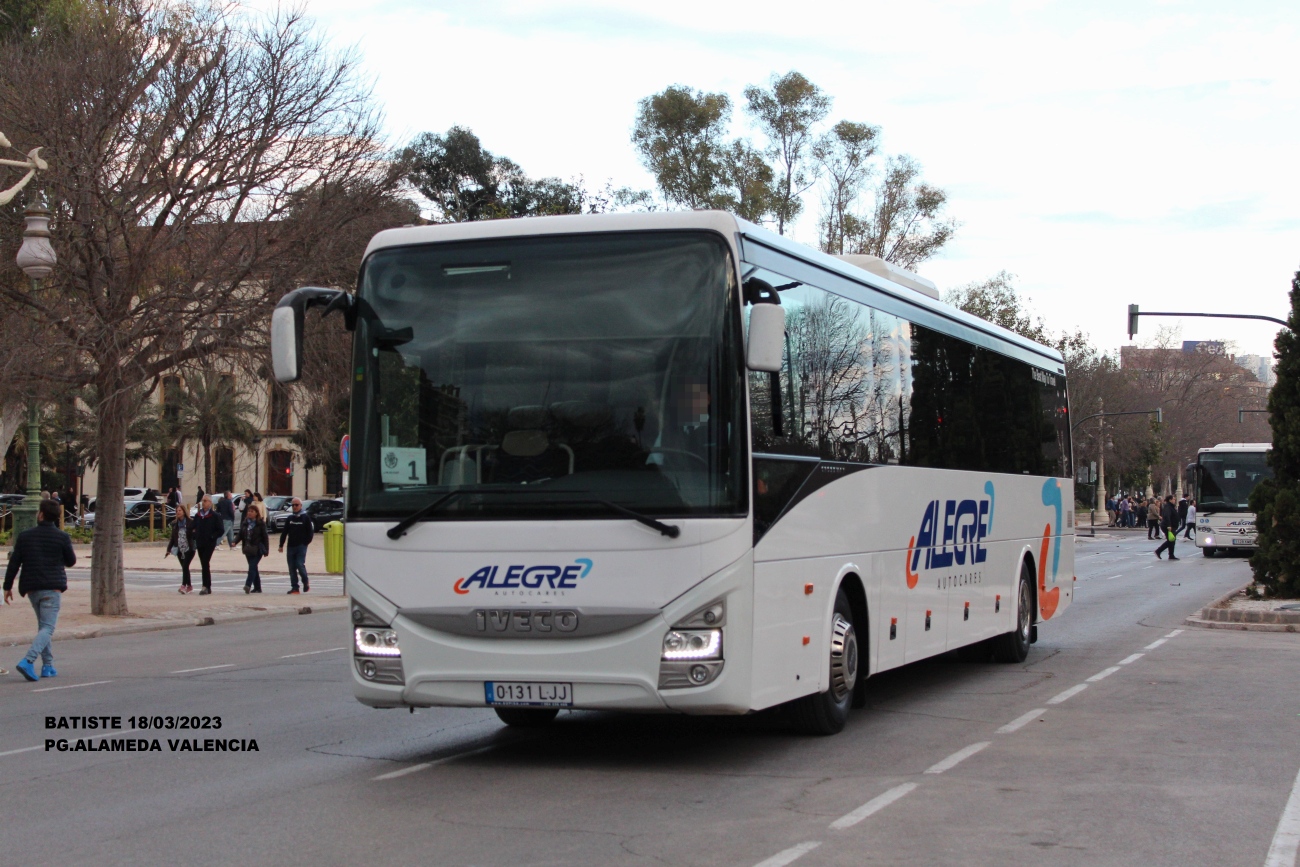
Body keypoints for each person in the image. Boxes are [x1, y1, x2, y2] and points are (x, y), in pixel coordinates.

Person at [4, 499, 75, 681]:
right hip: (52, 588)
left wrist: (7, 586)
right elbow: (71, 560)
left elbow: (15, 563)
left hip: (32, 588)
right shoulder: (62, 537)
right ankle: (28, 660)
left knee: (43, 627)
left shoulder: (25, 536)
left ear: (41, 514)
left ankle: (48, 665)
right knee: (48, 628)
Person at [278, 497, 314, 594]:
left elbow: (310, 532)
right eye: (293, 505)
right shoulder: (290, 518)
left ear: (301, 506)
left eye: (296, 505)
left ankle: (305, 581)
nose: (294, 507)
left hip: (301, 546)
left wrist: (305, 542)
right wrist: (281, 545)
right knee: (291, 567)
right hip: (291, 546)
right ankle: (295, 587)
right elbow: (284, 532)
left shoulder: (305, 518)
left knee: (299, 564)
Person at [192, 495, 224, 595]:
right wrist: (194, 535)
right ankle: (208, 586)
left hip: (209, 543)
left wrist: (212, 537)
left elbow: (220, 530)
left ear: (210, 503)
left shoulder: (215, 516)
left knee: (205, 562)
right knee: (204, 564)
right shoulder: (198, 515)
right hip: (200, 542)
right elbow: (193, 527)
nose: (203, 502)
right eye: (202, 501)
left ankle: (205, 586)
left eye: (205, 501)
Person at [238, 501, 269, 594]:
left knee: (252, 567)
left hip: (258, 549)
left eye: (252, 511)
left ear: (256, 513)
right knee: (254, 568)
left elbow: (265, 537)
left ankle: (248, 585)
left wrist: (266, 550)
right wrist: (234, 542)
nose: (249, 513)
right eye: (249, 511)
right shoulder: (245, 523)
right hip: (248, 548)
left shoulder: (260, 524)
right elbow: (240, 534)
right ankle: (258, 587)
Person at [166, 502, 197, 594]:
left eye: (180, 510)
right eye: (177, 511)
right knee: (185, 568)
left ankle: (183, 586)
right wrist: (168, 549)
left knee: (185, 566)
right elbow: (172, 538)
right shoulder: (175, 524)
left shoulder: (190, 522)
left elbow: (195, 534)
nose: (178, 512)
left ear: (184, 511)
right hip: (180, 549)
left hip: (189, 548)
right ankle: (190, 586)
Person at [1155, 495, 1180, 560]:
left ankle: (1171, 555)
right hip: (1167, 526)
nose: (1174, 500)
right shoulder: (1168, 507)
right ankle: (1158, 551)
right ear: (1170, 500)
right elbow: (1167, 516)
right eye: (1173, 499)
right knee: (1171, 541)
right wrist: (1169, 525)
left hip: (1171, 526)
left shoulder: (1171, 506)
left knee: (1172, 540)